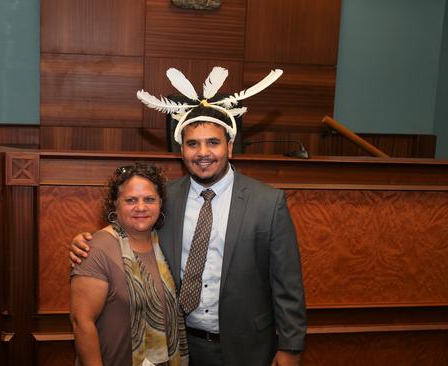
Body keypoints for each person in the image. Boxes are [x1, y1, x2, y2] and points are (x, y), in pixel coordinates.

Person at [71, 67, 306, 366]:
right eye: (193, 144)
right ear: (181, 150)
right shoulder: (165, 198)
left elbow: (288, 285)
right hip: (179, 346)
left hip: (248, 347)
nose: (203, 152)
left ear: (230, 147)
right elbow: (128, 231)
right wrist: (84, 243)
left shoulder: (268, 202)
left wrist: (291, 348)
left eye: (213, 142)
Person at [70, 163, 189, 366]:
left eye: (149, 199)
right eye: (131, 200)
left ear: (160, 203)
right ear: (115, 204)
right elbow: (82, 323)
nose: (141, 207)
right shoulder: (96, 249)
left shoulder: (164, 243)